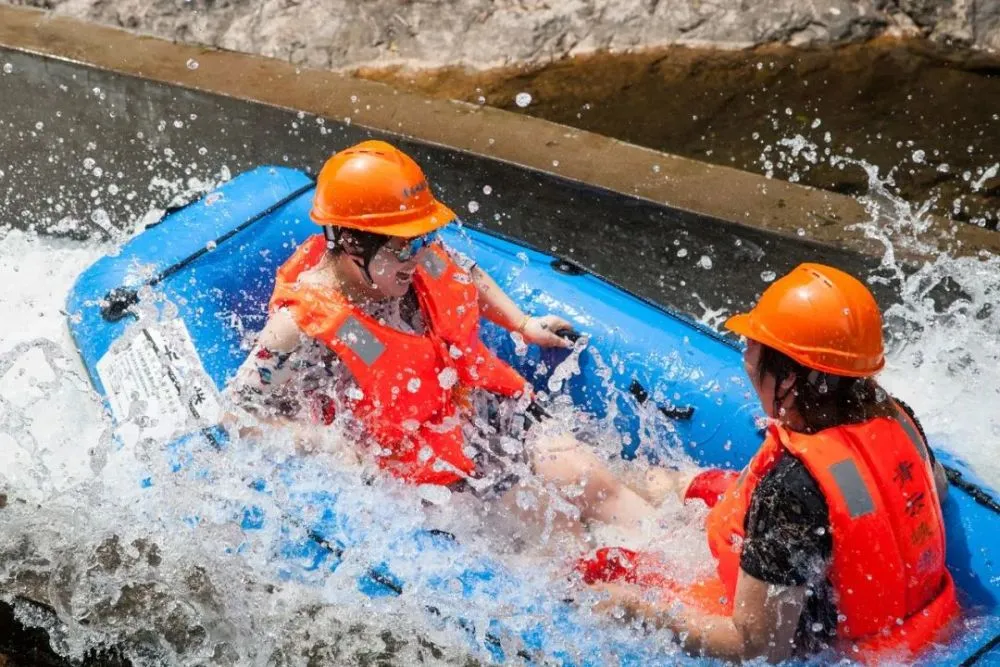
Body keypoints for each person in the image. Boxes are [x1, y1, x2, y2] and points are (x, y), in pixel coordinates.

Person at [228, 140, 658, 537]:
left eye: (423, 239)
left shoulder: (414, 257)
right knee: (559, 534)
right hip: (421, 456)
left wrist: (522, 323)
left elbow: (465, 272)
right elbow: (236, 414)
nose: (418, 256)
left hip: (478, 405)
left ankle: (680, 565)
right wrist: (323, 443)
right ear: (350, 241)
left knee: (592, 481)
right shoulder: (300, 325)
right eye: (403, 247)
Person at [581, 263, 957, 663]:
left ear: (790, 378)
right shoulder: (897, 418)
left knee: (598, 573)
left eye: (752, 345)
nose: (745, 356)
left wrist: (634, 608)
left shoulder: (791, 490)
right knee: (672, 482)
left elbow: (757, 648)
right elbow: (935, 488)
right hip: (919, 617)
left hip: (838, 642)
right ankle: (654, 484)